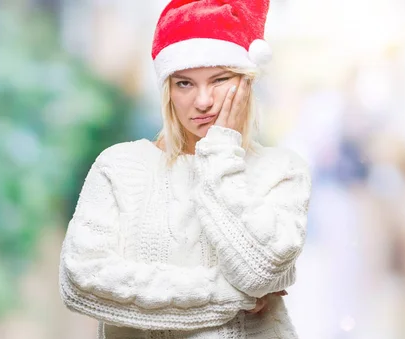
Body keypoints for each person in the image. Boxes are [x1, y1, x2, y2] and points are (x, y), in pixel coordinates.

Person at [58, 0, 312, 338]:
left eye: (220, 79)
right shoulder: (120, 167)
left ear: (247, 82)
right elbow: (81, 282)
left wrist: (222, 152)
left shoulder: (282, 170)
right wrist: (227, 295)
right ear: (168, 90)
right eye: (184, 83)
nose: (203, 101)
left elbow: (260, 272)